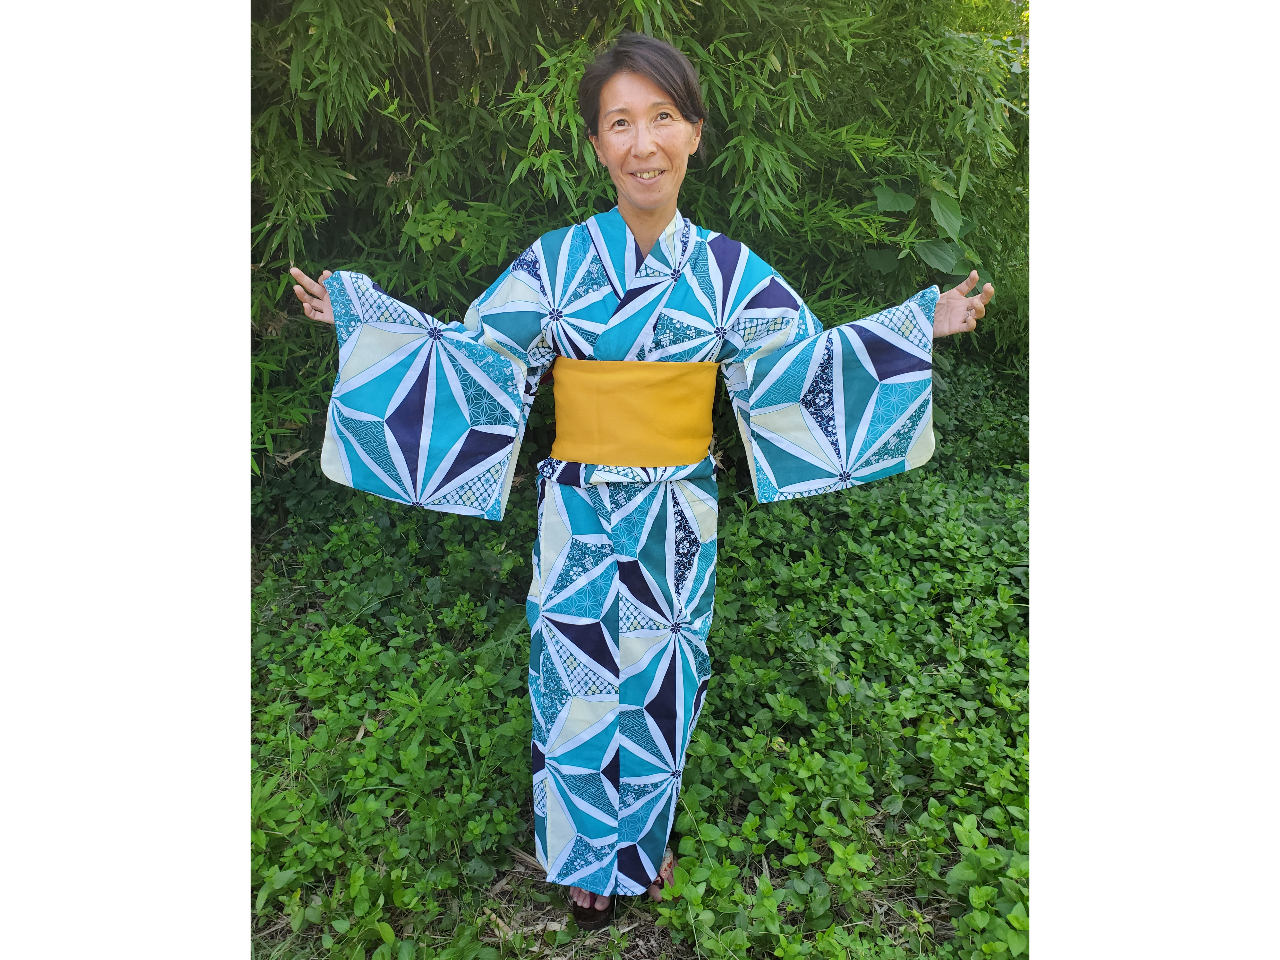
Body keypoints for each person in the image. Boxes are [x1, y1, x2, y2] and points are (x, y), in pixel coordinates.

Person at [289, 31, 993, 930]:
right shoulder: (556, 263)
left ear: (693, 132)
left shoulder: (731, 272)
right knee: (575, 676)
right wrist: (361, 315)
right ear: (596, 145)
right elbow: (473, 359)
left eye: (661, 118)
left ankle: (641, 844)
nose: (642, 143)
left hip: (679, 509)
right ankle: (587, 859)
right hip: (577, 505)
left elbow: (805, 368)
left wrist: (917, 326)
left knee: (663, 677)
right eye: (619, 123)